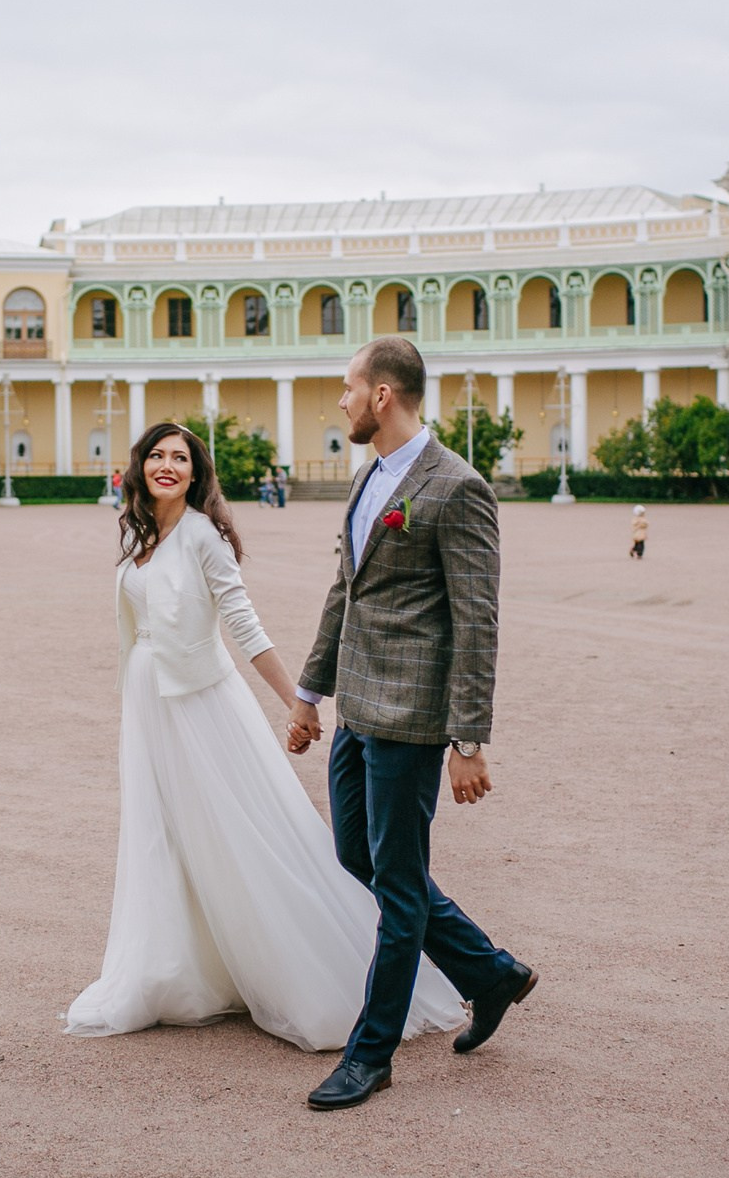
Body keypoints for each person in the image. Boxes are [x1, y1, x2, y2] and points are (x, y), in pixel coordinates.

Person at [65, 422, 466, 1055]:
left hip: (200, 707)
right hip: (149, 705)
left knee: (238, 832)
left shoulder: (203, 536)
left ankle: (317, 976)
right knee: (161, 833)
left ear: (196, 474)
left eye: (181, 458)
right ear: (140, 466)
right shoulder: (139, 533)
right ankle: (177, 969)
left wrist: (298, 704)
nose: (167, 466)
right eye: (158, 456)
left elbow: (244, 625)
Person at [287, 336, 534, 1112]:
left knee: (397, 888)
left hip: (414, 719)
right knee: (356, 854)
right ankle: (490, 972)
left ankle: (372, 1054)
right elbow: (345, 592)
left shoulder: (456, 487)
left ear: (383, 395)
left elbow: (477, 621)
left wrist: (468, 739)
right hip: (358, 709)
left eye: (349, 387)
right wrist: (308, 691)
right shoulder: (370, 477)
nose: (342, 400)